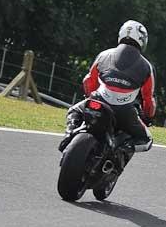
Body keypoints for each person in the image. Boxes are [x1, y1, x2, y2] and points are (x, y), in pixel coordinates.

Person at [61, 20, 156, 152]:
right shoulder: (147, 66)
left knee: (74, 111)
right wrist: (148, 117)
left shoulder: (104, 54)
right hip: (125, 111)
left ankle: (69, 134)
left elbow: (88, 80)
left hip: (98, 100)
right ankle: (120, 149)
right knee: (147, 140)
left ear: (121, 34)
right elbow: (148, 99)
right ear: (142, 40)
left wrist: (90, 97)